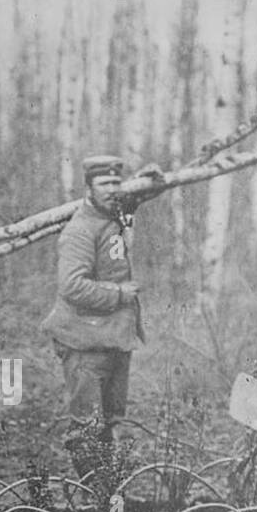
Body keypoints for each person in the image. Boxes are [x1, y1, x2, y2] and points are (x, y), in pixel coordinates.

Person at [41, 154, 161, 445]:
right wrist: (118, 294)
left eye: (116, 182)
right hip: (84, 343)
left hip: (113, 339)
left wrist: (154, 181)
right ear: (88, 189)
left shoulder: (113, 214)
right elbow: (72, 286)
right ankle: (92, 490)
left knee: (110, 422)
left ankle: (107, 488)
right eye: (103, 183)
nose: (111, 189)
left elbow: (137, 198)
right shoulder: (81, 229)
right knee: (87, 427)